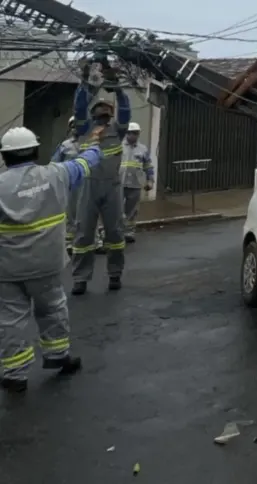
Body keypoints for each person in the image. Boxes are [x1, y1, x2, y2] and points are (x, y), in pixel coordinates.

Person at [0, 127, 101, 392]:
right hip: (47, 265)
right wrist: (93, 142)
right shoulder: (56, 174)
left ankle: (14, 374)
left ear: (5, 156)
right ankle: (58, 357)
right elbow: (86, 163)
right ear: (35, 150)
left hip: (8, 270)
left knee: (11, 320)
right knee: (53, 310)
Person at [70, 79, 131, 295]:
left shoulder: (118, 130)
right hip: (89, 187)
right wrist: (86, 83)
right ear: (93, 113)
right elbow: (78, 106)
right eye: (99, 110)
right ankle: (80, 279)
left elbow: (125, 109)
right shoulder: (85, 129)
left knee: (115, 233)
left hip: (112, 187)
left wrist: (118, 89)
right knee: (83, 235)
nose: (103, 113)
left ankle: (115, 274)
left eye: (107, 110)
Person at [51, 116, 81, 252]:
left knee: (91, 213)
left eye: (78, 125)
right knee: (70, 213)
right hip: (71, 185)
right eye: (73, 125)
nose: (75, 128)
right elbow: (54, 164)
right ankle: (69, 242)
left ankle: (94, 241)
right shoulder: (65, 146)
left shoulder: (92, 144)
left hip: (89, 184)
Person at [119, 122, 153, 243]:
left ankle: (129, 232)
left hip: (135, 183)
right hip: (119, 183)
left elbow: (148, 166)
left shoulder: (143, 149)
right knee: (117, 210)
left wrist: (150, 180)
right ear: (126, 133)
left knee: (132, 210)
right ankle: (117, 232)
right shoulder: (119, 146)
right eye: (131, 133)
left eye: (135, 133)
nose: (133, 136)